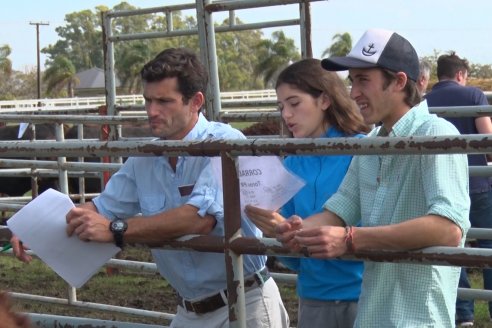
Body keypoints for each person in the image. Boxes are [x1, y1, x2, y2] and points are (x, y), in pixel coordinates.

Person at [10, 48, 289, 328]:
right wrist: (38, 227)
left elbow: (199, 219)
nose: (152, 111)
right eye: (148, 100)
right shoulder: (145, 157)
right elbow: (101, 207)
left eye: (164, 101)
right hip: (189, 310)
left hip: (243, 304)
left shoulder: (225, 143)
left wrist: (115, 229)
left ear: (195, 102)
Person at [273, 28, 470, 327]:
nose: (353, 93)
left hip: (418, 317)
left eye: (363, 80)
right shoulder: (372, 143)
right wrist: (295, 230)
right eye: (352, 81)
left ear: (399, 82)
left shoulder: (437, 134)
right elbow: (338, 211)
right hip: (373, 313)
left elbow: (448, 228)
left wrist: (352, 240)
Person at [245, 58, 368, 328]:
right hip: (314, 298)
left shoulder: (364, 151)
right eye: (281, 107)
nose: (286, 114)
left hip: (365, 296)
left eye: (294, 103)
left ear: (324, 100)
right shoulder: (290, 165)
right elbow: (294, 260)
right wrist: (276, 230)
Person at [425, 51, 492, 327]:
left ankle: (462, 313)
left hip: (441, 186)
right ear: (461, 74)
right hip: (477, 185)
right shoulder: (474, 96)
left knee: (455, 247)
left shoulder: (424, 101)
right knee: (488, 245)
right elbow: (487, 140)